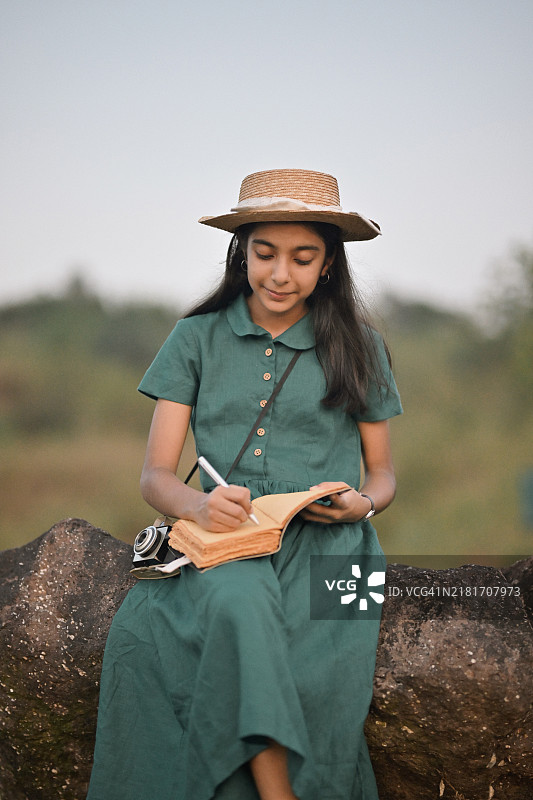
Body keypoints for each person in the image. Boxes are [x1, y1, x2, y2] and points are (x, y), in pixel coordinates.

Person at [87, 168, 402, 800]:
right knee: (239, 608)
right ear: (242, 253)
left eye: (302, 257)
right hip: (223, 533)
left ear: (329, 266)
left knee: (326, 685)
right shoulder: (194, 337)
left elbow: (383, 474)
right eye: (264, 253)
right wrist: (199, 504)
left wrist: (362, 506)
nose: (280, 273)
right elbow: (154, 476)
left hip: (339, 548)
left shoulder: (362, 345)